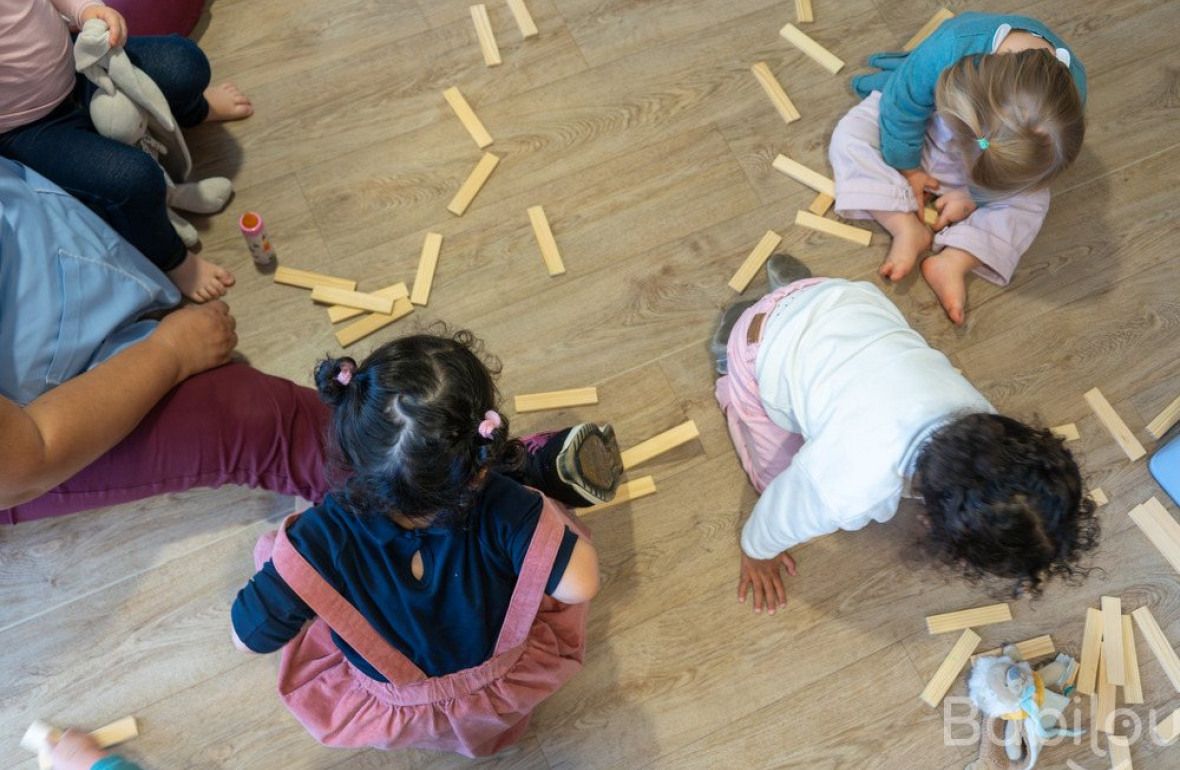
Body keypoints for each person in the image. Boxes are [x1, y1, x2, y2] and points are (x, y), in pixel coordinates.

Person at [231, 333, 622, 757]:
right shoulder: (503, 504)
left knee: (285, 559)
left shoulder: (321, 535)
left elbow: (245, 637)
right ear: (477, 464)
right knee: (547, 523)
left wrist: (297, 584)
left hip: (398, 705)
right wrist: (521, 498)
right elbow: (580, 585)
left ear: (352, 451)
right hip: (495, 686)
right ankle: (527, 468)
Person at [709, 255, 1098, 614]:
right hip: (760, 349)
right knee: (773, 476)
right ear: (931, 523)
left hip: (840, 298)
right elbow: (780, 513)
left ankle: (787, 292)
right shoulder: (847, 492)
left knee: (833, 353)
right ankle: (731, 346)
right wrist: (757, 551)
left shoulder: (984, 420)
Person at [0, 158, 328, 524]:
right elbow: (22, 463)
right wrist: (171, 352)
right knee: (253, 414)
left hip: (48, 241)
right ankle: (384, 501)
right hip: (36, 429)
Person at [829, 12, 1086, 324]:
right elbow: (901, 105)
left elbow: (1030, 174)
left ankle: (954, 260)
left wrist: (973, 194)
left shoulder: (1065, 104)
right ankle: (903, 224)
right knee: (851, 135)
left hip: (982, 156)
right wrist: (908, 167)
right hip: (917, 127)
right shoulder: (950, 47)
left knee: (1033, 200)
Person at [0, 0, 253, 302]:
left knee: (185, 64)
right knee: (133, 180)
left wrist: (86, 10)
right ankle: (173, 260)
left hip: (81, 64)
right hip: (29, 128)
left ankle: (194, 110)